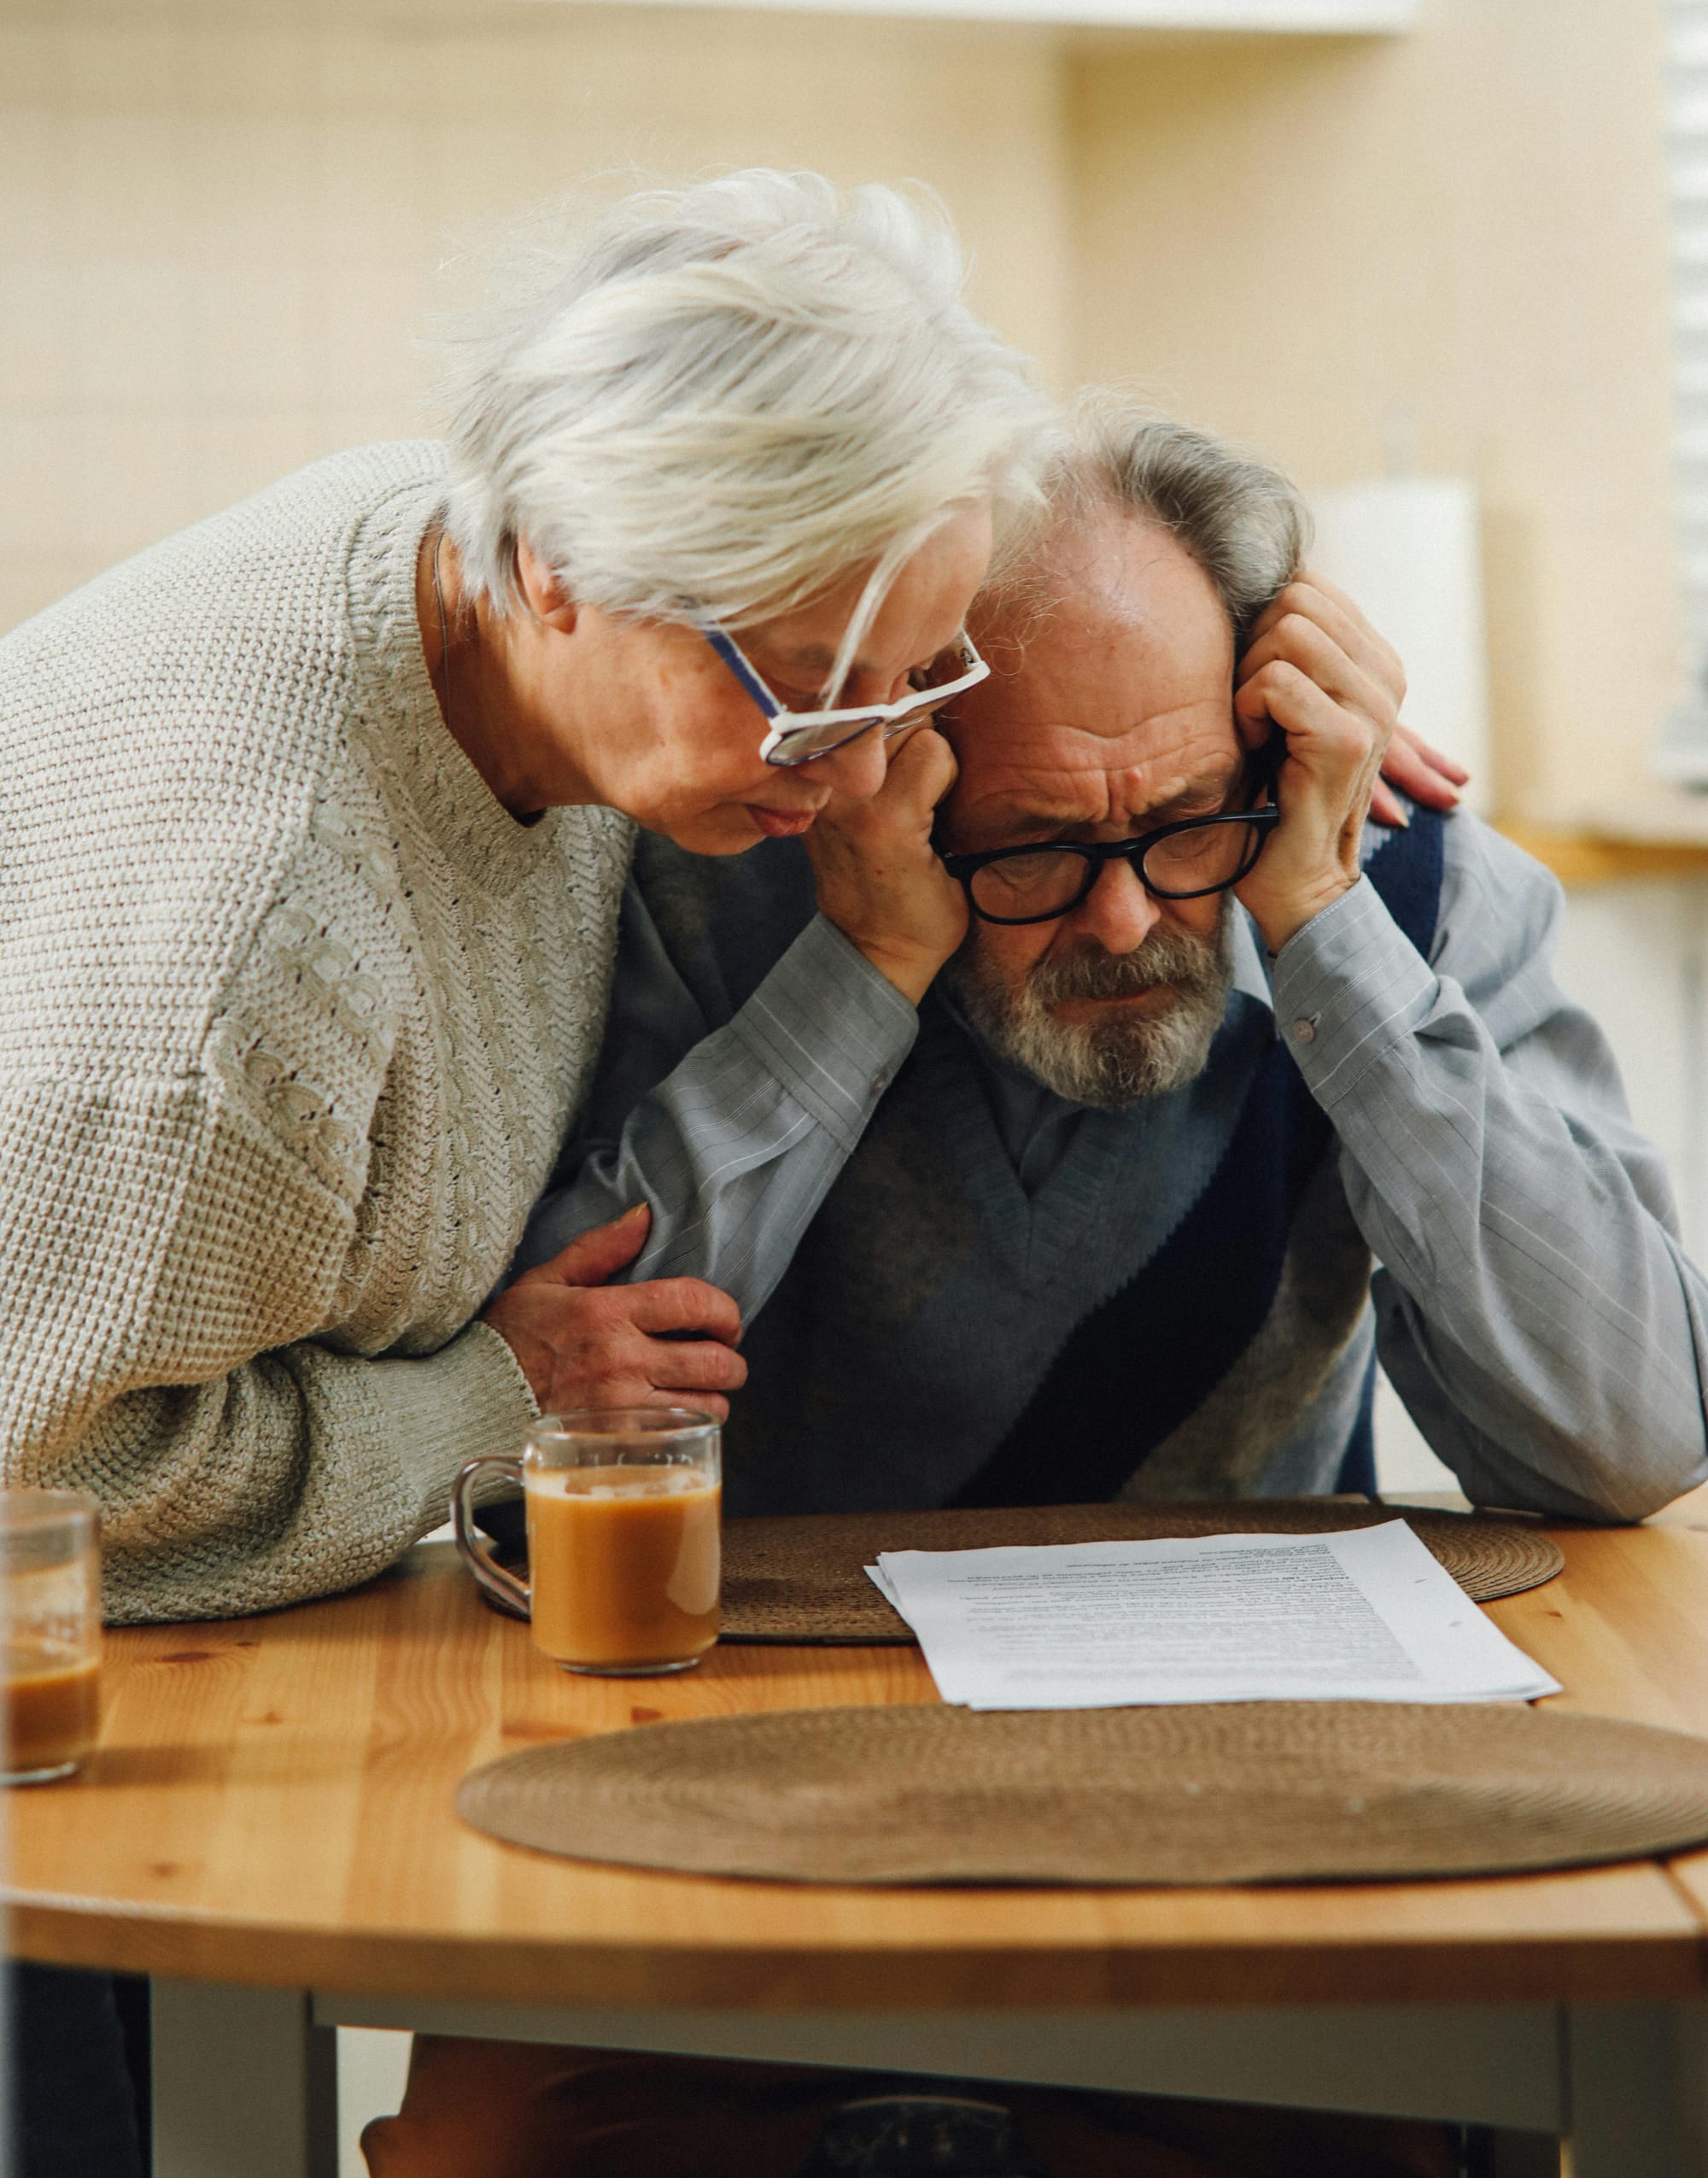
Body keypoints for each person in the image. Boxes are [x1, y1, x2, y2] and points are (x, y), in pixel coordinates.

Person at [371, 399, 1708, 2178]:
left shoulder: (1397, 889)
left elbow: (1626, 1435)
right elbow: (574, 1425)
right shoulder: (722, 887)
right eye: (1026, 848)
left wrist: (1320, 929)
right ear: (891, 764)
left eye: (1180, 822)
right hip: (719, 1799)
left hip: (1268, 1816)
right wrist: (862, 970)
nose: (1123, 921)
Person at [0, 167, 1050, 2178]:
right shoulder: (259, 937)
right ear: (561, 566)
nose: (857, 765)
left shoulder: (514, 570)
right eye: (804, 682)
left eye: (908, 673)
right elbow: (45, 1481)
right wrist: (508, 1396)